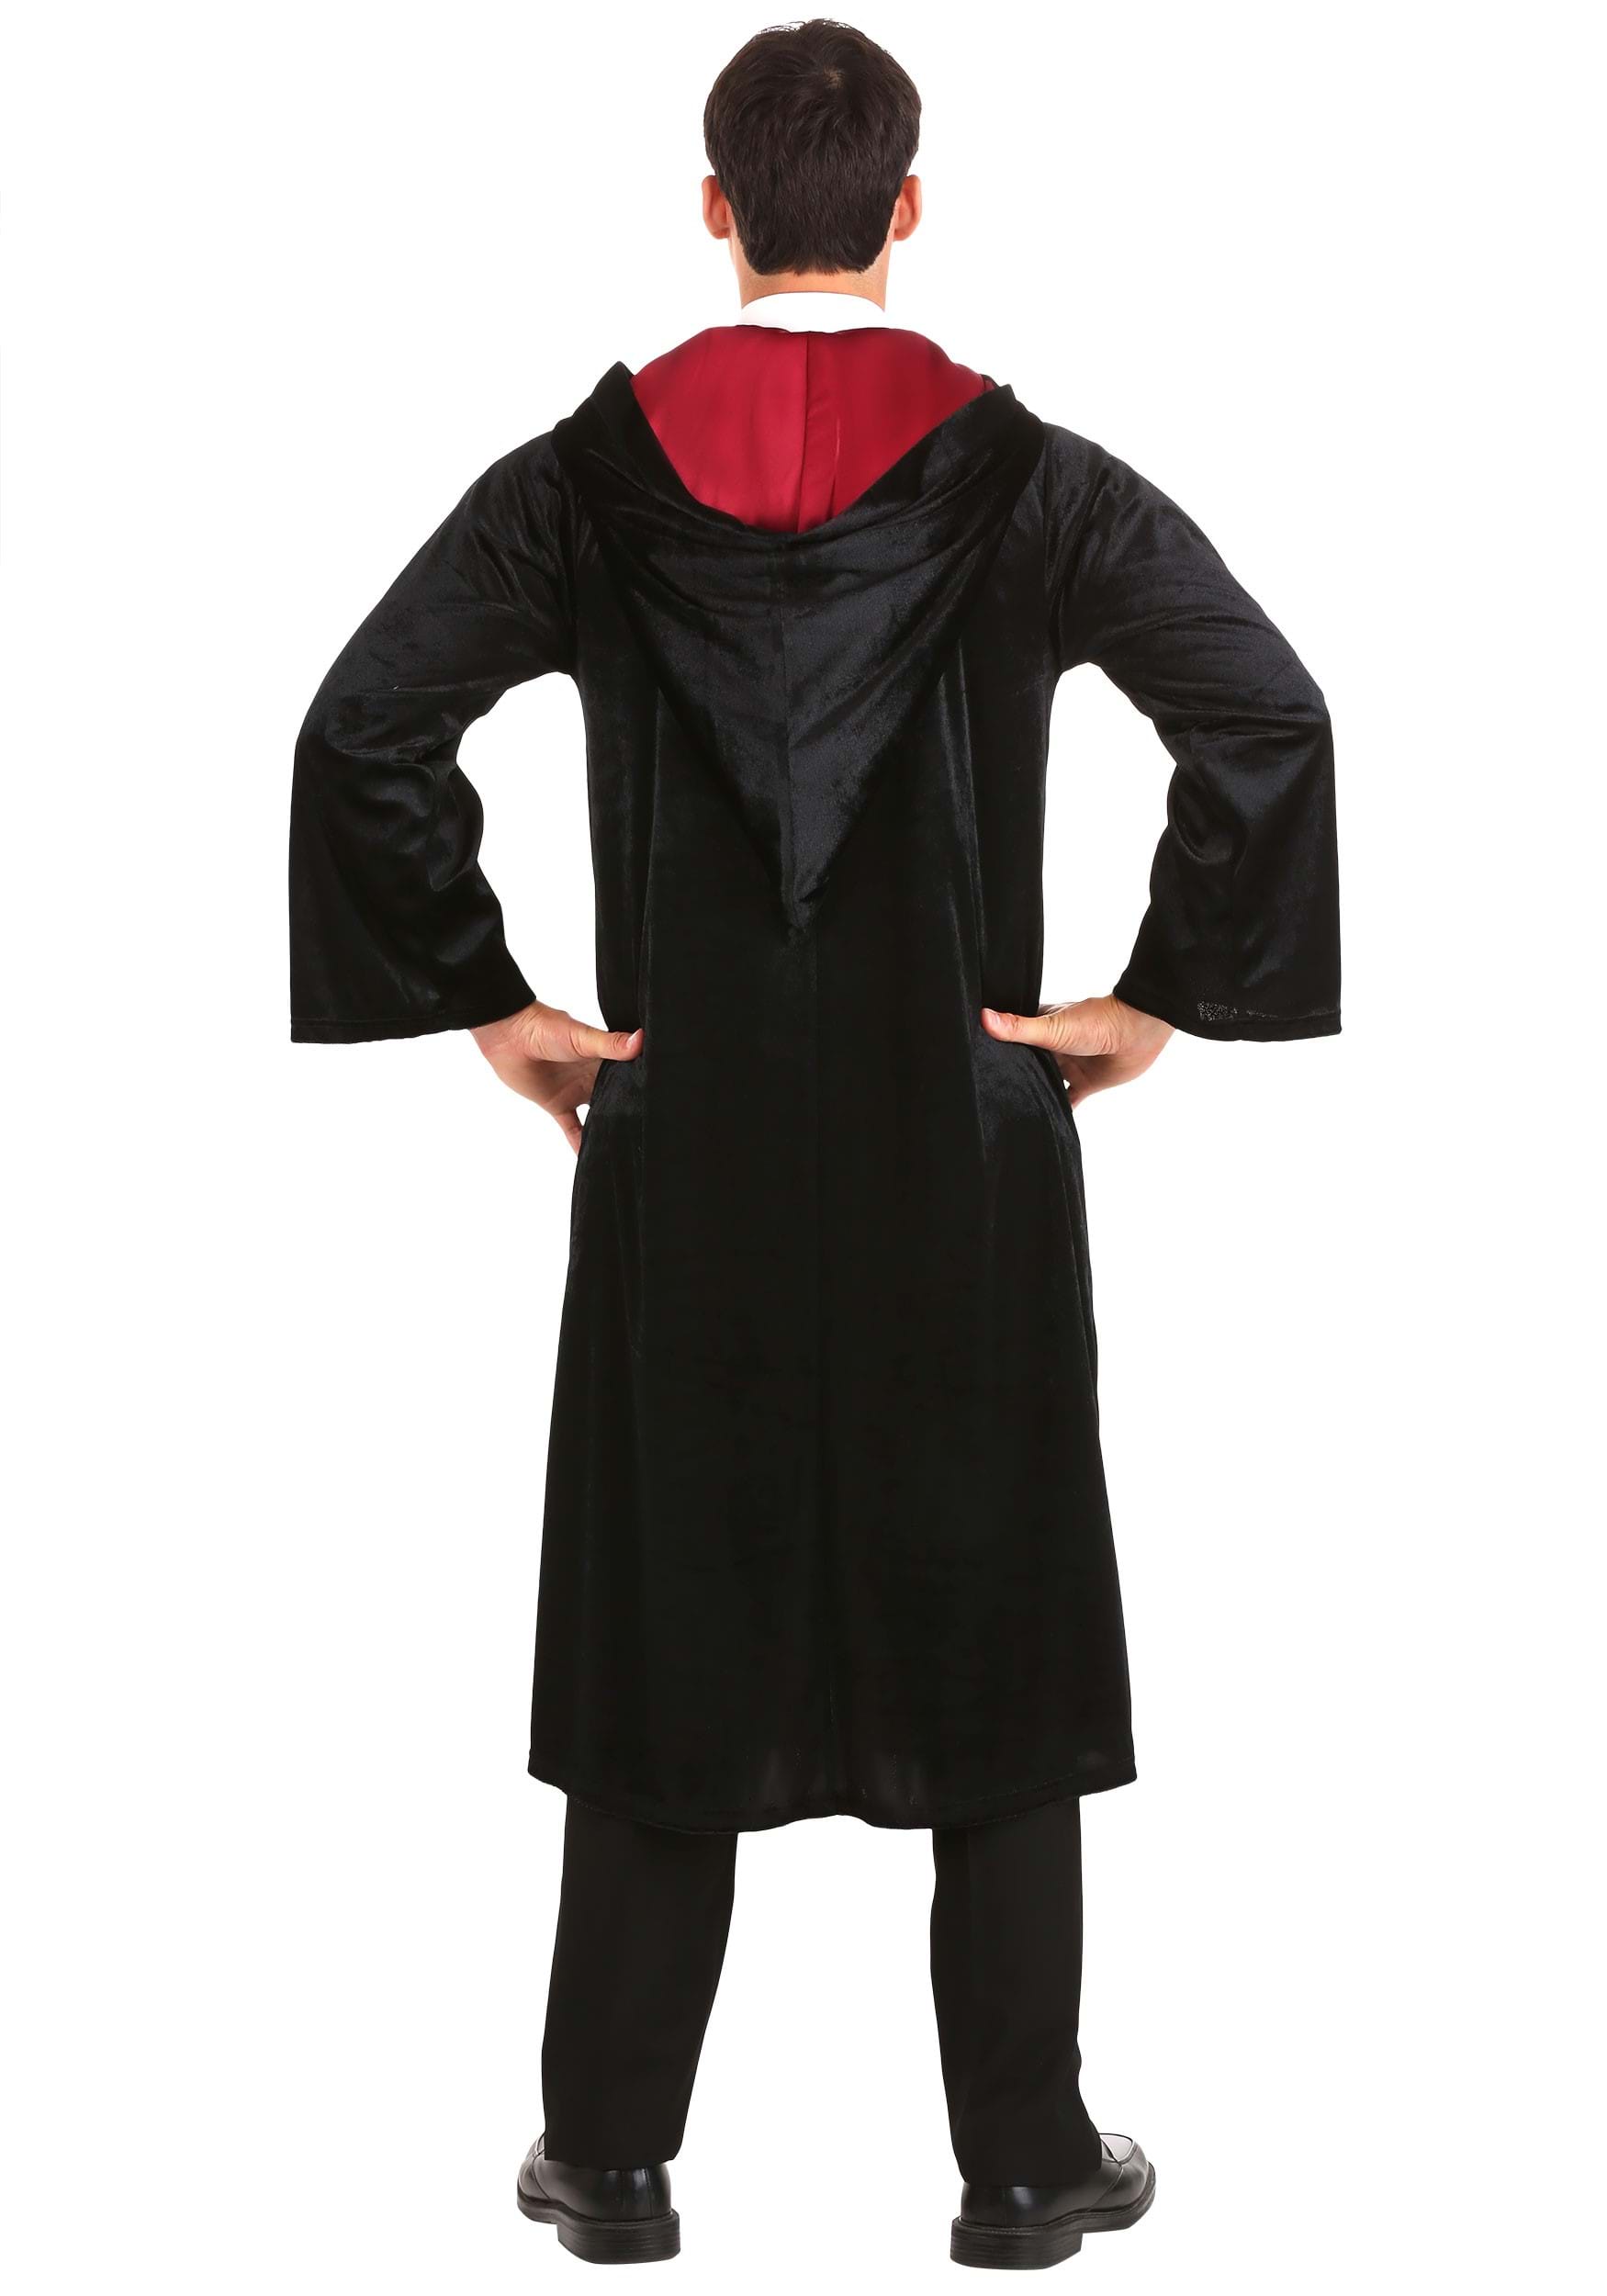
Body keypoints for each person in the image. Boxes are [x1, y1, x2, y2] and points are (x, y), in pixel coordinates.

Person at [288, 18, 1338, 2271]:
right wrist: (1154, 995)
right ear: (907, 207)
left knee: (666, 1612)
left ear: (713, 208)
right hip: (962, 1143)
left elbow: (366, 727)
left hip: (684, 1149)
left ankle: (610, 2153)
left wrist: (493, 1004)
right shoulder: (1028, 481)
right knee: (998, 1626)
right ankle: (1022, 2160)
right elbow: (1261, 711)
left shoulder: (582, 485)